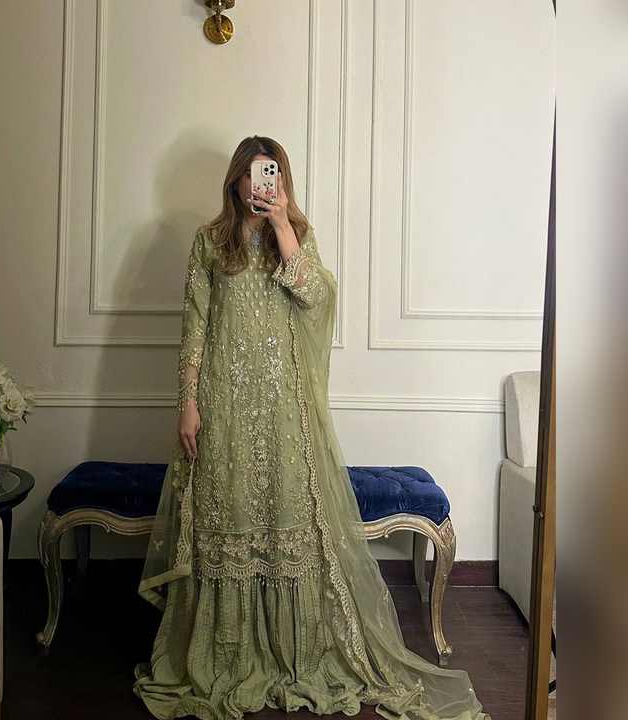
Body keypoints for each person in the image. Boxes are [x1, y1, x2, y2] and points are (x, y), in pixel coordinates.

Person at [133, 136, 490, 720]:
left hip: (283, 407)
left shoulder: (295, 234)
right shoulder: (210, 241)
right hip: (224, 404)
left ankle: (292, 652)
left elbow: (317, 299)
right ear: (235, 180)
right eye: (253, 174)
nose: (260, 184)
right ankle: (225, 653)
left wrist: (282, 228)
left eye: (270, 174)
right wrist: (188, 403)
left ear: (282, 180)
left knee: (284, 516)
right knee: (228, 515)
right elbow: (194, 326)